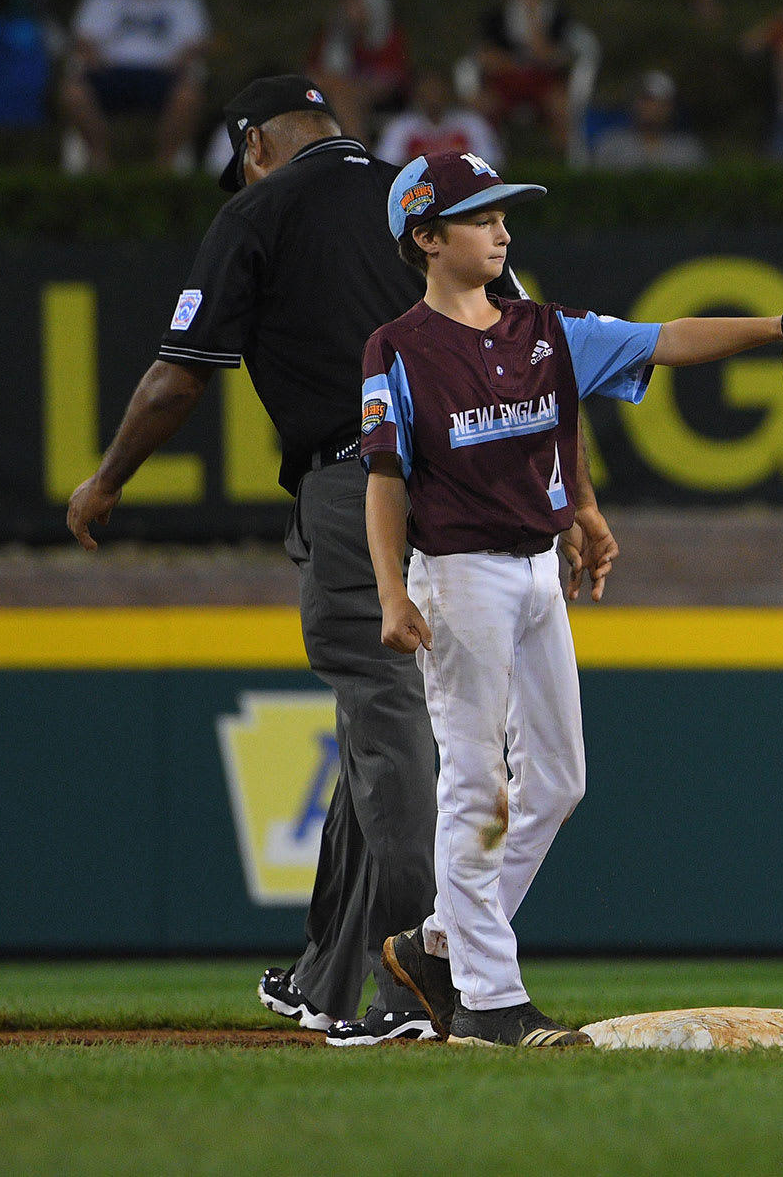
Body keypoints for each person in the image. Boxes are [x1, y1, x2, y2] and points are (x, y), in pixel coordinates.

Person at [62, 77, 549, 1048]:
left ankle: (415, 972)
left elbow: (178, 374)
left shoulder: (260, 206)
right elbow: (526, 342)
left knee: (393, 721)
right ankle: (329, 972)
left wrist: (107, 478)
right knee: (390, 725)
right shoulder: (425, 198)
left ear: (254, 147)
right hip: (482, 485)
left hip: (365, 481)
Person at [365, 152, 783, 1047]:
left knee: (559, 780)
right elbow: (383, 480)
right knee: (477, 785)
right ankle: (490, 1003)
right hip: (457, 577)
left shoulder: (542, 327)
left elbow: (665, 338)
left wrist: (778, 327)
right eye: (480, 216)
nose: (501, 229)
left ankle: (440, 944)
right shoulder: (397, 348)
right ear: (427, 236)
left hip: (533, 571)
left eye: (502, 214)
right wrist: (389, 594)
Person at [59, 0, 208, 171]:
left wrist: (179, 63)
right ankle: (100, 159)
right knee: (72, 93)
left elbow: (196, 45)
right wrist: (93, 59)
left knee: (189, 96)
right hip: (109, 72)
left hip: (162, 74)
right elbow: (82, 40)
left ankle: (165, 166)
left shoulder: (182, 1)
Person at [471, 0, 598, 157]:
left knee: (563, 108)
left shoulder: (557, 14)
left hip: (543, 83)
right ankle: (488, 170)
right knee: (478, 107)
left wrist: (531, 16)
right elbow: (486, 58)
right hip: (506, 82)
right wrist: (520, 62)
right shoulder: (497, 15)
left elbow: (549, 56)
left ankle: (570, 166)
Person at [306, 0, 411, 141]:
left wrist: (346, 84)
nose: (347, 8)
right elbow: (313, 75)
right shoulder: (331, 37)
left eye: (353, 2)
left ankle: (360, 152)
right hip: (335, 94)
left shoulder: (388, 36)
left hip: (382, 101)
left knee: (344, 97)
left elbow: (390, 80)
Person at [377, 68, 502, 169]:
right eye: (427, 91)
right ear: (416, 94)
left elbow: (491, 164)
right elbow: (387, 166)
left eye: (437, 90)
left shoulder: (472, 123)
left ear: (449, 92)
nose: (433, 97)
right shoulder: (399, 127)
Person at [591, 70, 708, 170]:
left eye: (660, 102)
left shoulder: (688, 150)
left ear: (671, 107)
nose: (653, 108)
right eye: (646, 100)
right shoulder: (611, 145)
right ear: (635, 103)